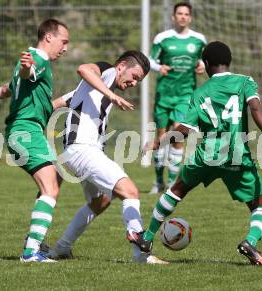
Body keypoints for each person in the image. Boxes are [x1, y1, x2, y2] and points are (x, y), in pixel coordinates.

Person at [142, 41, 262, 265]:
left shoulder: (200, 92)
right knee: (260, 205)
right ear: (229, 61)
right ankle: (250, 241)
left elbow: (183, 131)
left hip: (206, 155)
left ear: (205, 63)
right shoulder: (245, 82)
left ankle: (146, 238)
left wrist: (159, 142)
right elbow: (255, 108)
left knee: (176, 190)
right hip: (236, 154)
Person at [47, 51, 167, 264]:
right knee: (130, 191)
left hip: (77, 152)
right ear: (122, 66)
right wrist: (112, 95)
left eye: (138, 81)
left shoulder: (95, 88)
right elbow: (84, 69)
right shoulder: (108, 71)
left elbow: (59, 102)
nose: (133, 83)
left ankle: (62, 248)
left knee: (100, 201)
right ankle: (141, 255)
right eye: (134, 76)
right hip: (83, 150)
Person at [0, 19, 69, 262]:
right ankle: (31, 251)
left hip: (26, 130)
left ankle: (35, 243)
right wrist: (26, 68)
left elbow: (18, 84)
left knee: (55, 179)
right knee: (51, 188)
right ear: (48, 37)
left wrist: (2, 91)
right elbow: (28, 72)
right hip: (26, 131)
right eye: (63, 42)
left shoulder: (33, 60)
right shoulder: (39, 59)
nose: (65, 48)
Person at [149, 2, 207, 193]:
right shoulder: (163, 38)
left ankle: (172, 183)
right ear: (173, 17)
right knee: (161, 138)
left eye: (186, 14)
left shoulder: (199, 40)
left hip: (185, 95)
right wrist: (160, 67)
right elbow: (149, 60)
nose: (182, 17)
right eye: (179, 14)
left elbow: (204, 62)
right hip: (164, 94)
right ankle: (159, 182)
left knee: (178, 135)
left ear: (190, 18)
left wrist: (202, 67)